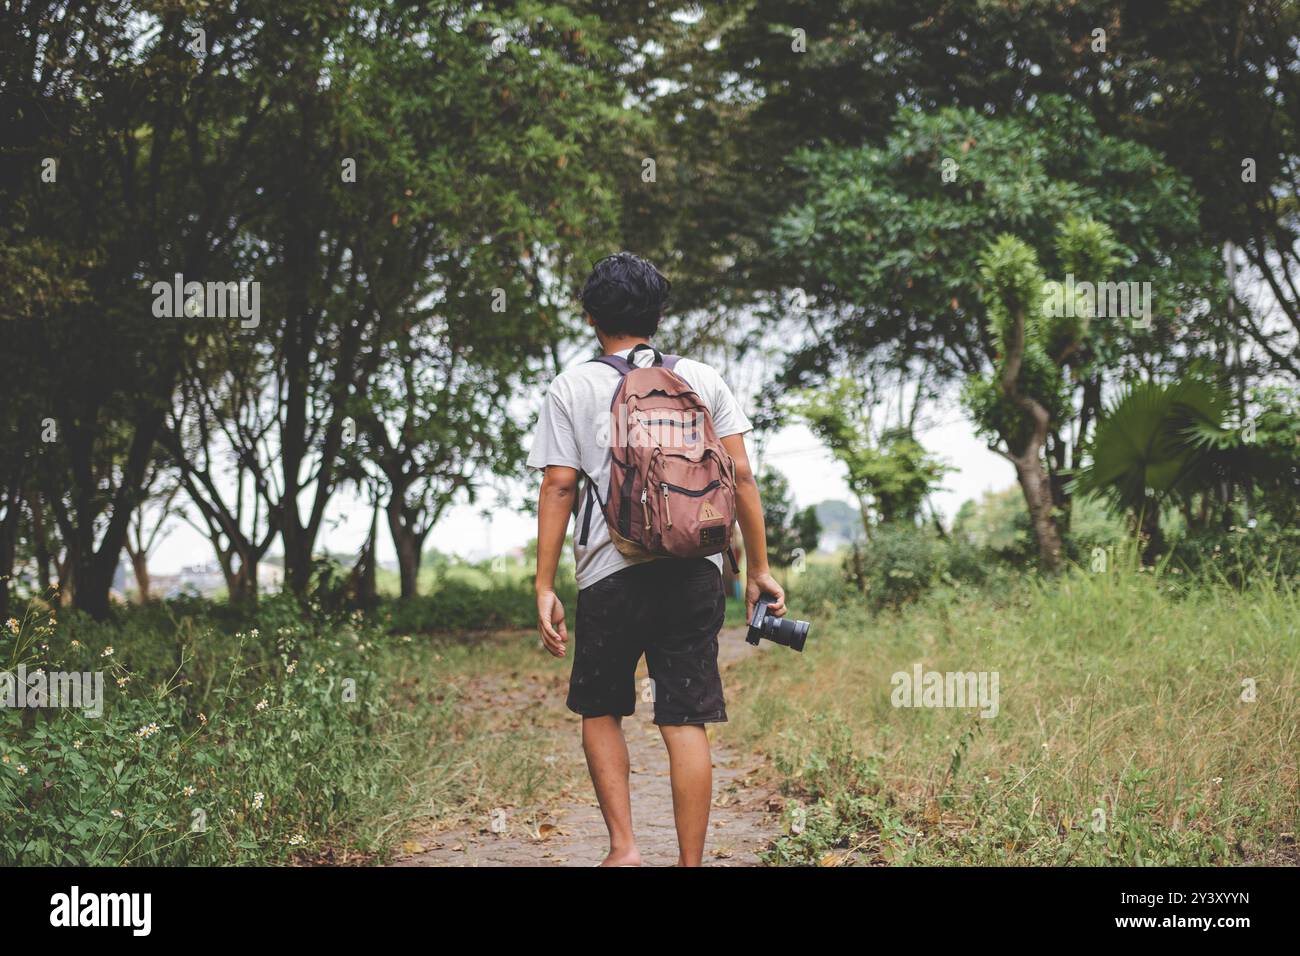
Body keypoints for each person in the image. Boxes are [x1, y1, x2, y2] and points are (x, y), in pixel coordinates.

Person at [528, 251, 786, 867]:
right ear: (658, 314)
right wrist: (758, 569)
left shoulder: (572, 386)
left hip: (609, 572)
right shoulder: (702, 378)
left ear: (591, 316)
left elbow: (559, 486)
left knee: (601, 708)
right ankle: (690, 864)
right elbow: (743, 477)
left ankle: (623, 849)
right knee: (685, 719)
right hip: (696, 570)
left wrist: (543, 584)